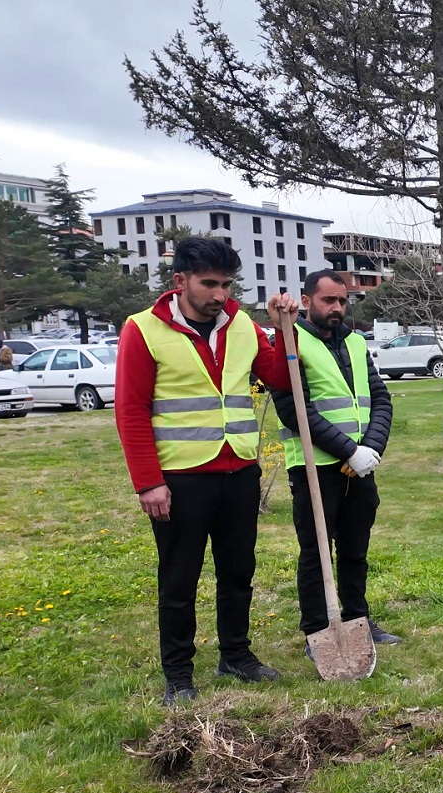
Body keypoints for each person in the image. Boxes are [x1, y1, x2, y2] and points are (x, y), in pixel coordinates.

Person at [114, 236, 302, 707]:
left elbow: (278, 377)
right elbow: (131, 411)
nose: (220, 294)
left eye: (227, 284)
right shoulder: (142, 330)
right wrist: (148, 482)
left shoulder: (242, 326)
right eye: (209, 284)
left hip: (239, 471)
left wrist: (284, 329)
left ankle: (235, 655)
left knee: (239, 571)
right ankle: (178, 675)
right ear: (180, 282)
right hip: (180, 478)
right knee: (179, 578)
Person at [270, 270, 402, 658]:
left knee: (355, 547)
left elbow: (380, 399)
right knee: (316, 552)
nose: (338, 308)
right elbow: (294, 409)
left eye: (343, 301)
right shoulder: (292, 343)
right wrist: (348, 449)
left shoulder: (357, 343)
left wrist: (370, 449)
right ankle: (316, 631)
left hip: (359, 466)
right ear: (307, 302)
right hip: (315, 467)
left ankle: (358, 618)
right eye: (329, 300)